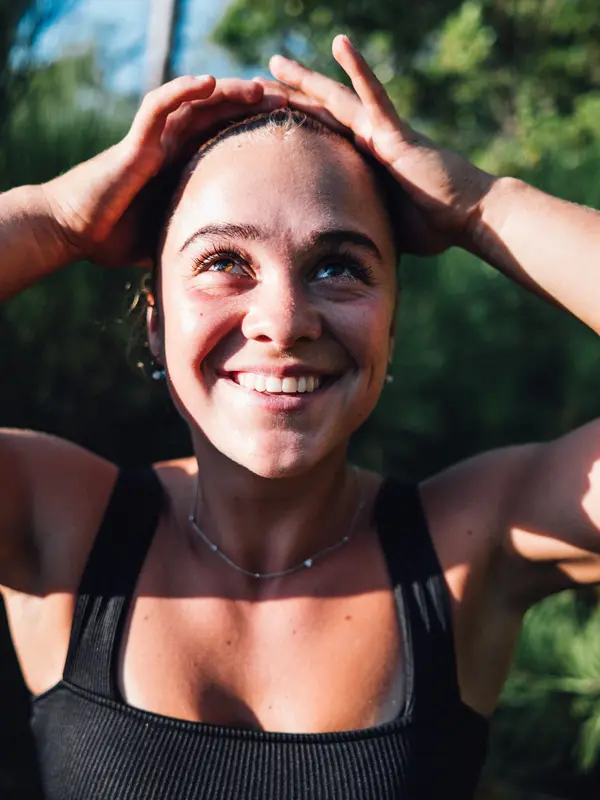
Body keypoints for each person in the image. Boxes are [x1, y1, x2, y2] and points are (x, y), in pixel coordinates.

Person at [1, 33, 600, 800]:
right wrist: (54, 217)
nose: (283, 322)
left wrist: (484, 206)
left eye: (337, 266)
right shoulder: (59, 523)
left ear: (391, 324)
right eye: (223, 263)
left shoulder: (475, 544)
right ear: (155, 320)